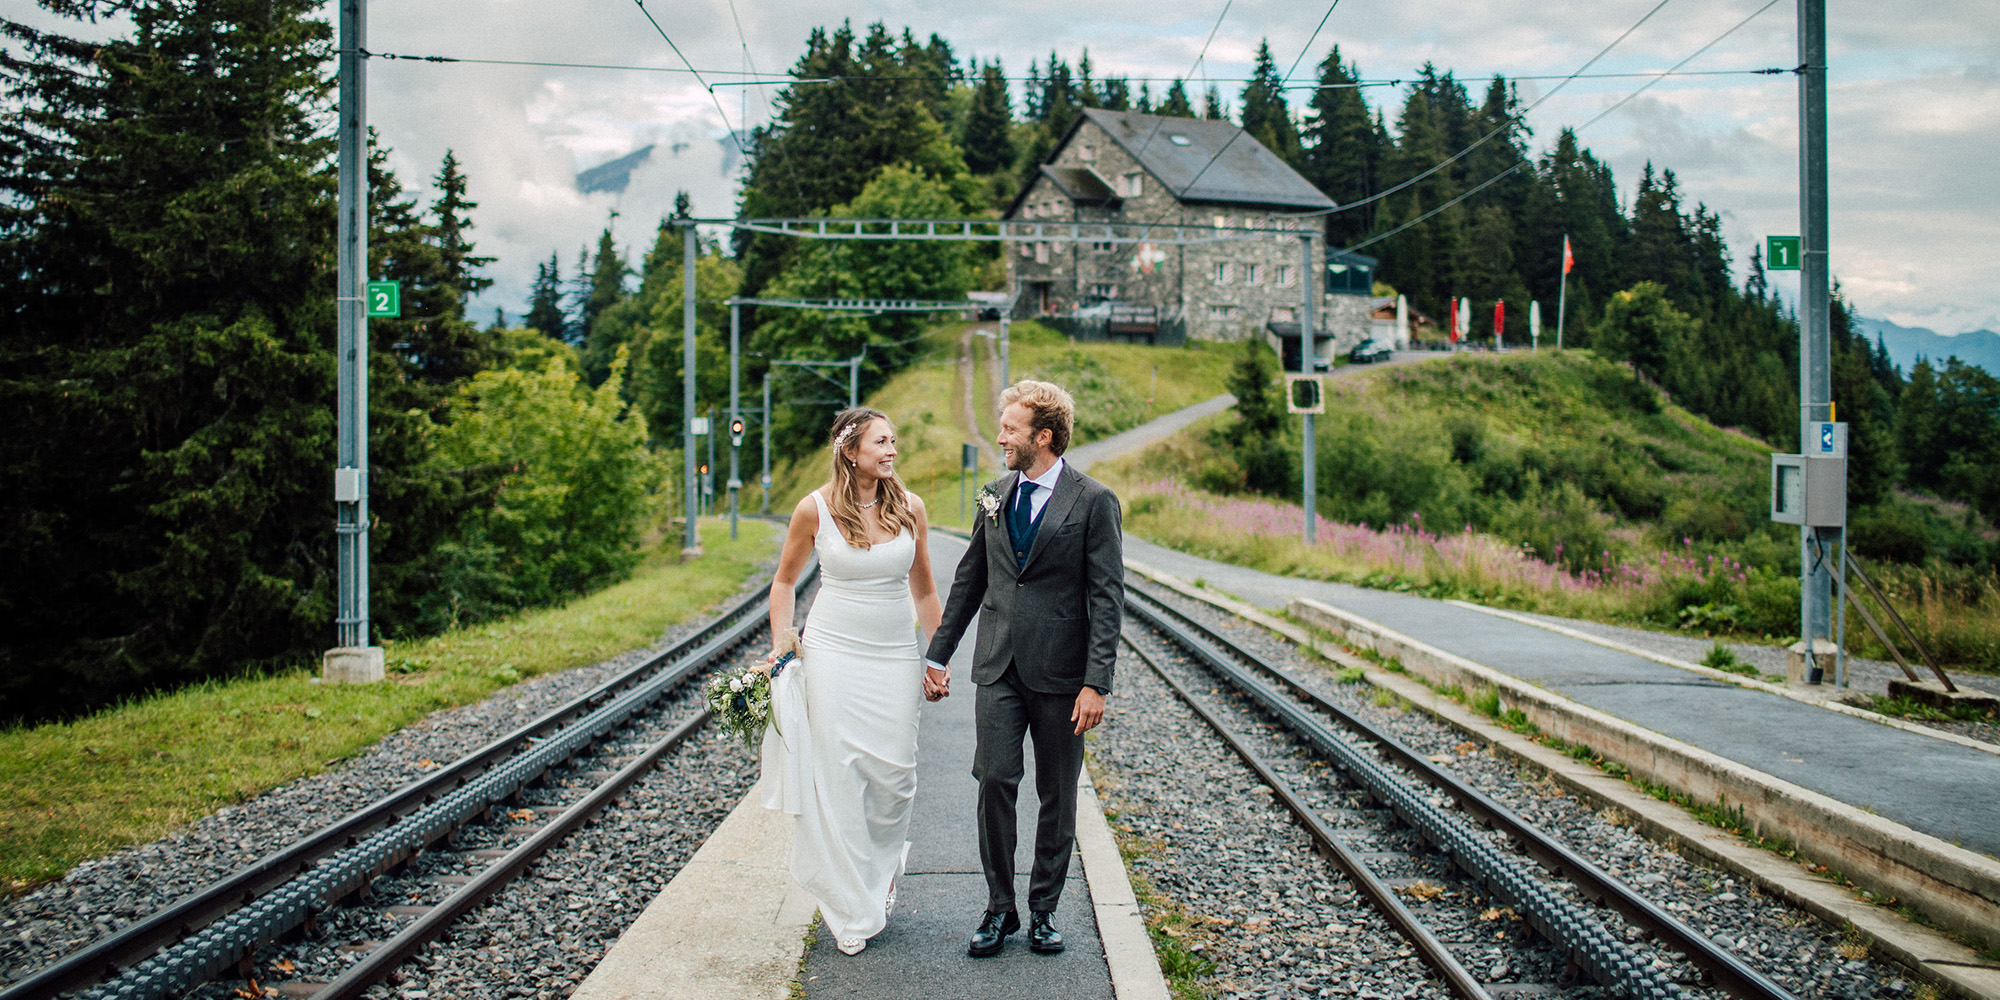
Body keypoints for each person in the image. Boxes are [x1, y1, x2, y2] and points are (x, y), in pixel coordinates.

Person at [924, 380, 1123, 958]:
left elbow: (1106, 598)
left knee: (1057, 792)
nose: (1000, 436)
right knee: (994, 781)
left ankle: (1044, 910)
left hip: (1064, 677)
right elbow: (970, 578)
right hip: (999, 666)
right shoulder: (993, 493)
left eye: (1010, 428)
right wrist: (939, 652)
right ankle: (998, 908)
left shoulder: (1093, 501)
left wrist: (1097, 681)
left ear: (1043, 436)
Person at [762, 407, 945, 956]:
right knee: (839, 780)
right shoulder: (812, 509)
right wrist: (781, 641)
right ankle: (851, 908)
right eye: (882, 442)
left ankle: (880, 871)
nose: (892, 451)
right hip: (833, 654)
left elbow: (926, 592)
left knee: (896, 779)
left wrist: (937, 658)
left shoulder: (911, 508)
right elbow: (784, 582)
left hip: (893, 655)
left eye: (894, 440)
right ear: (850, 450)